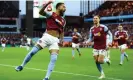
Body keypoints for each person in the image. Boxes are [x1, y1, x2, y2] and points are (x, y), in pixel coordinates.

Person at [15, 1, 66, 80]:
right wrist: (47, 4)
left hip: (55, 40)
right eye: (63, 6)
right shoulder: (51, 14)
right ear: (58, 7)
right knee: (32, 52)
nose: (65, 8)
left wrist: (62, 40)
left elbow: (62, 31)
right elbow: (41, 12)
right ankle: (21, 66)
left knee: (54, 59)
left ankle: (46, 77)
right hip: (46, 37)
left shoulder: (63, 20)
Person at [87, 15, 112, 79]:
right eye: (94, 18)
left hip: (103, 46)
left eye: (96, 18)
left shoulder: (103, 27)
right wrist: (87, 41)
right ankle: (102, 74)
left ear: (99, 20)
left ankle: (107, 60)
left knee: (100, 61)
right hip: (95, 47)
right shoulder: (91, 29)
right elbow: (90, 38)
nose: (95, 19)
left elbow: (110, 34)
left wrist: (110, 42)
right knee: (96, 61)